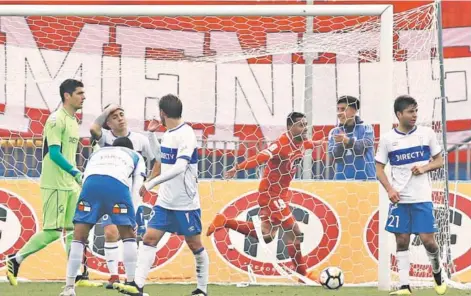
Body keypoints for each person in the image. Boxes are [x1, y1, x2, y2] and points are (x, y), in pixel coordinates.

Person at [206, 112, 322, 283]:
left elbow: (310, 144)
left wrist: (323, 143)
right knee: (295, 233)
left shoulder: (302, 141)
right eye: (300, 125)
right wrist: (237, 168)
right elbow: (259, 158)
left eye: (305, 124)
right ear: (290, 127)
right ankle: (302, 275)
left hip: (281, 194)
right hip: (270, 194)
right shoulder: (281, 144)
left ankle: (225, 221)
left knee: (267, 235)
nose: (304, 128)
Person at [115, 94, 209, 296]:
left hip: (186, 203)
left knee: (194, 244)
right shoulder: (168, 134)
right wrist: (151, 135)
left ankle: (202, 289)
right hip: (165, 201)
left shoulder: (187, 134)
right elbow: (161, 158)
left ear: (163, 113)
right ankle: (137, 286)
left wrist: (151, 183)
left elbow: (180, 167)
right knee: (149, 238)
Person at [6, 79, 96, 287]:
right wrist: (75, 172)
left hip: (71, 184)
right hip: (55, 183)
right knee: (54, 231)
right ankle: (15, 260)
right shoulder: (56, 119)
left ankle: (77, 276)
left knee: (74, 230)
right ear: (67, 95)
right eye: (80, 93)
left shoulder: (73, 120)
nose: (84, 97)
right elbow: (54, 153)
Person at [375, 95, 446, 295]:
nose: (414, 115)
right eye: (410, 111)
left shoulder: (427, 134)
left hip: (422, 197)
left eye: (416, 111)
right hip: (400, 199)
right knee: (402, 240)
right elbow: (379, 169)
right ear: (399, 114)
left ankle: (437, 270)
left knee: (428, 241)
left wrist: (424, 168)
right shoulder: (388, 139)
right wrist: (389, 189)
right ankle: (404, 285)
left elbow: (439, 161)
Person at [59, 137, 146, 296]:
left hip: (90, 186)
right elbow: (137, 186)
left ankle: (69, 288)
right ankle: (132, 286)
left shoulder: (99, 152)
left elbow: (85, 176)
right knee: (128, 236)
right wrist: (132, 214)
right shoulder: (136, 156)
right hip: (116, 186)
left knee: (79, 237)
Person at [90, 104, 161, 288]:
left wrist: (148, 182)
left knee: (130, 234)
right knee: (110, 232)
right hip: (111, 192)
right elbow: (93, 129)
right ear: (107, 123)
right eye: (114, 117)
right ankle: (114, 276)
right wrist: (107, 110)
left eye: (122, 114)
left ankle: (133, 279)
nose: (120, 118)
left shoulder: (140, 140)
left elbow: (158, 161)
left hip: (133, 195)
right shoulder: (104, 138)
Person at [328, 95, 375, 180]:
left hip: (366, 182)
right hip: (342, 182)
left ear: (354, 111)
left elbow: (363, 149)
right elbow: (335, 157)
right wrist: (341, 144)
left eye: (343, 109)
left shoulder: (366, 128)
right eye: (338, 109)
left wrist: (347, 141)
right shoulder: (334, 132)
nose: (339, 113)